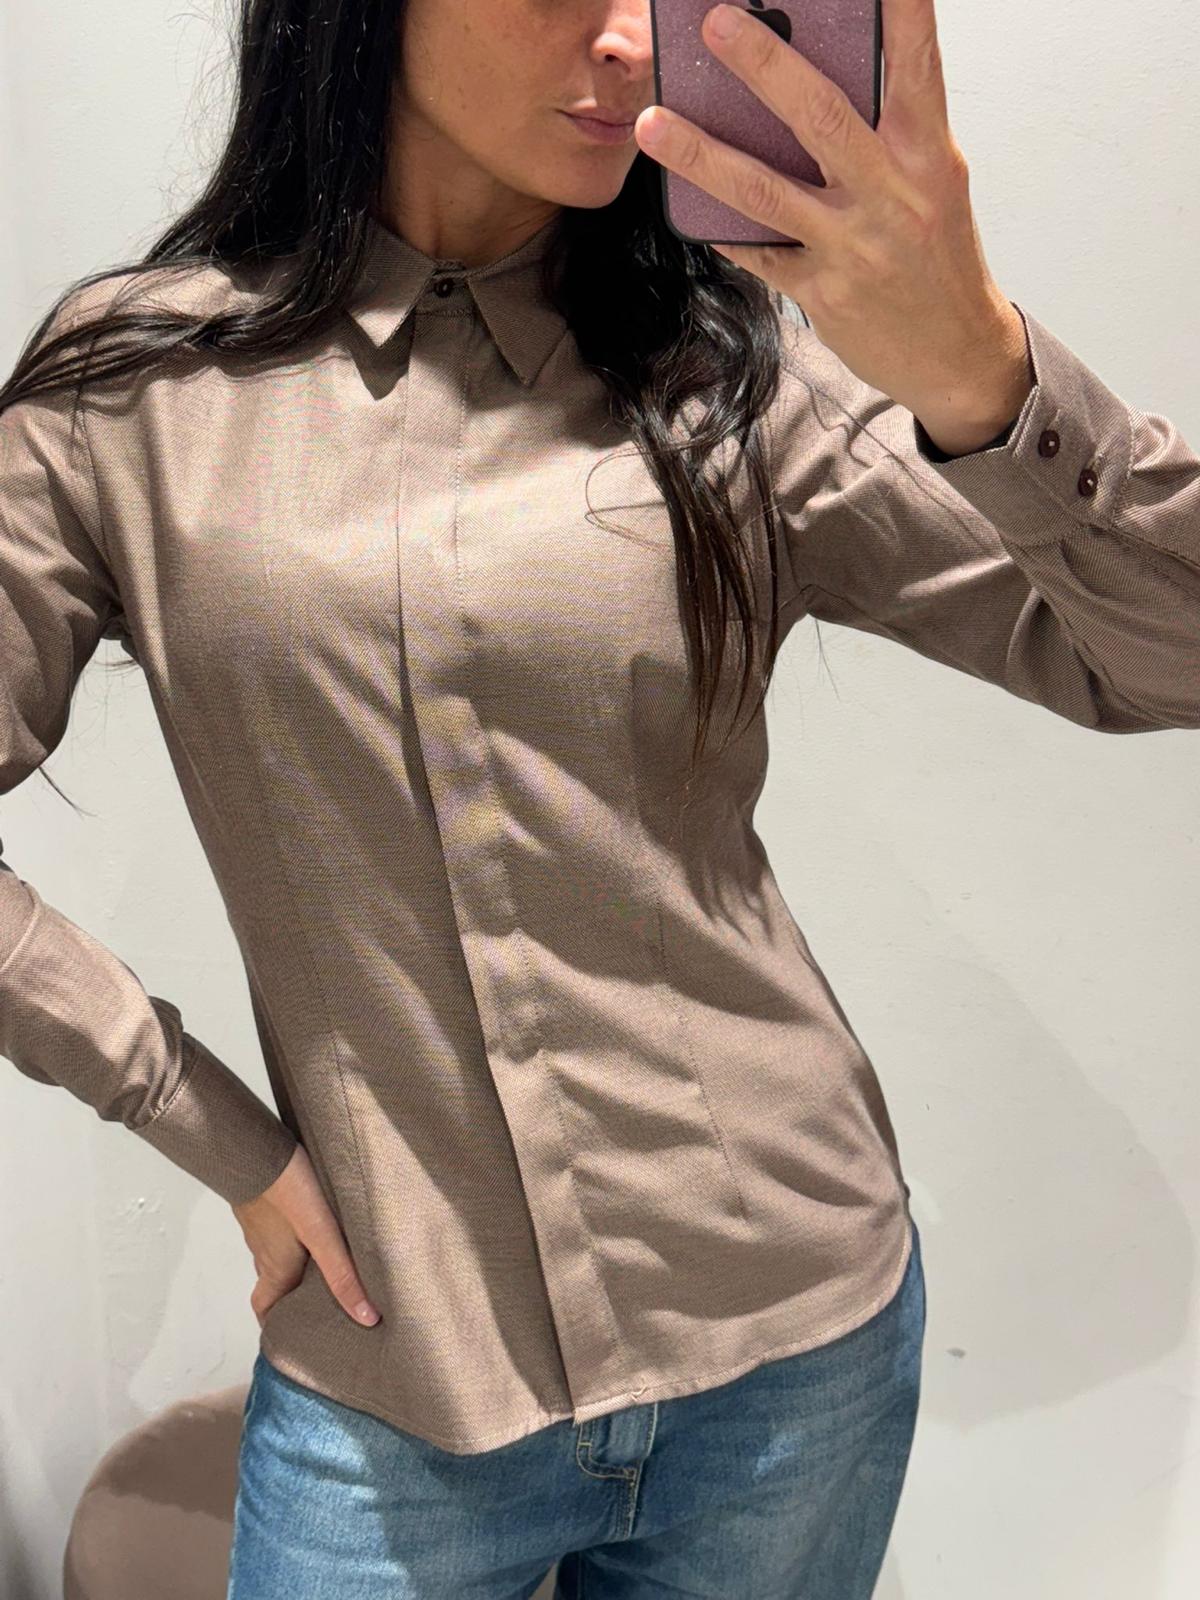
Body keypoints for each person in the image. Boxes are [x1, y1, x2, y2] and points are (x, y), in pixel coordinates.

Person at [2, 4, 1196, 1598]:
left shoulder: (735, 378)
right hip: (396, 1393)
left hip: (796, 1353)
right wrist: (206, 1124)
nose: (632, 36)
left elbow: (1163, 657)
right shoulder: (134, 399)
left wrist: (985, 372)